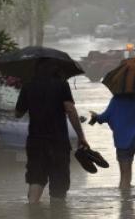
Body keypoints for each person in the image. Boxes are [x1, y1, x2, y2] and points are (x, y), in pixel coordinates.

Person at [15, 58, 89, 203]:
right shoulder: (62, 85)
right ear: (55, 69)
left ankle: (34, 217)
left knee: (36, 178)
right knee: (59, 185)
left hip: (36, 142)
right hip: (58, 142)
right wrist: (81, 136)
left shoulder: (28, 86)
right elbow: (70, 109)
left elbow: (18, 113)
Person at [90, 85, 135, 189]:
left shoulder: (117, 99)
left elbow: (104, 117)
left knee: (125, 177)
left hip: (123, 142)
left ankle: (125, 203)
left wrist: (95, 116)